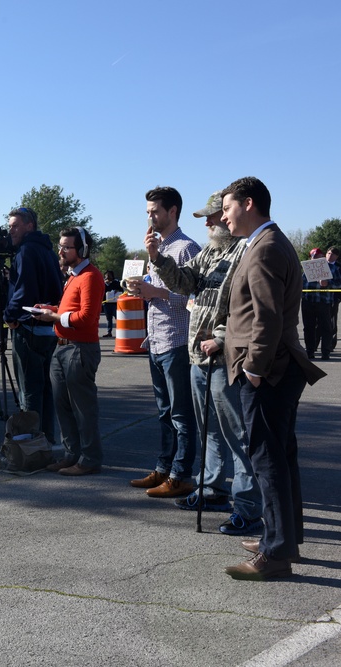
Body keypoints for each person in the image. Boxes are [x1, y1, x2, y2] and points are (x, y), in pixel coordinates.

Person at [219, 177, 326, 580]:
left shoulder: (264, 248)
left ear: (248, 204)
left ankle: (276, 553)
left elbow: (267, 316)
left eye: (228, 207)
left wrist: (254, 368)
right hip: (276, 368)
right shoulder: (266, 243)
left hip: (268, 371)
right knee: (279, 456)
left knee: (267, 459)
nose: (224, 216)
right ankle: (283, 537)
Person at [151, 191, 262, 536]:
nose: (210, 222)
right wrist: (157, 258)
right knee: (209, 431)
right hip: (198, 356)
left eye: (214, 215)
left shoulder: (244, 250)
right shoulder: (211, 250)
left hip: (223, 357)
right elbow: (185, 283)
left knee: (237, 435)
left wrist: (224, 338)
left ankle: (247, 508)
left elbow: (250, 309)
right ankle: (212, 488)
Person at [127, 186, 201, 499]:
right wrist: (140, 288)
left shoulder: (186, 248)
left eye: (155, 211)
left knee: (181, 414)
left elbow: (193, 297)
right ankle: (164, 467)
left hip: (177, 341)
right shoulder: (154, 249)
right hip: (155, 340)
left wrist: (157, 293)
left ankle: (181, 475)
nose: (150, 217)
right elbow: (157, 292)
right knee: (164, 411)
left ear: (172, 212)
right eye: (147, 212)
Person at [35, 228, 105, 475]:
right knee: (62, 406)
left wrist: (53, 316)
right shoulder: (74, 276)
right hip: (62, 347)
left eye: (66, 247)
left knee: (83, 408)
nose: (61, 251)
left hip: (79, 350)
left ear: (82, 250)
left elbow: (86, 317)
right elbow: (70, 310)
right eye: (60, 246)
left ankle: (89, 459)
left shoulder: (90, 276)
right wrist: (49, 308)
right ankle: (71, 454)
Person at [3, 207, 65, 443]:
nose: (11, 231)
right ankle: (47, 439)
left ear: (29, 226)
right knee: (47, 389)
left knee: (30, 391)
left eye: (15, 225)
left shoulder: (26, 251)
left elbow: (23, 292)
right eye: (10, 226)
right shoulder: (47, 251)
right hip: (48, 328)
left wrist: (9, 315)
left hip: (29, 329)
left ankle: (31, 445)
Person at [301, 248, 332, 360]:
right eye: (313, 256)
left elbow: (338, 283)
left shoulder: (330, 268)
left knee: (326, 328)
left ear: (322, 256)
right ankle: (310, 351)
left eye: (317, 256)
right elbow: (301, 285)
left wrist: (327, 282)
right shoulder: (307, 270)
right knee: (308, 328)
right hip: (308, 302)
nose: (314, 258)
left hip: (323, 302)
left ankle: (326, 352)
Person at [102, 270, 122, 338]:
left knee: (117, 318)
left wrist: (117, 290)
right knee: (108, 318)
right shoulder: (103, 283)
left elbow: (122, 289)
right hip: (106, 303)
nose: (108, 277)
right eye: (106, 275)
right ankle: (109, 332)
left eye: (109, 275)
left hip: (114, 303)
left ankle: (120, 331)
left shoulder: (116, 282)